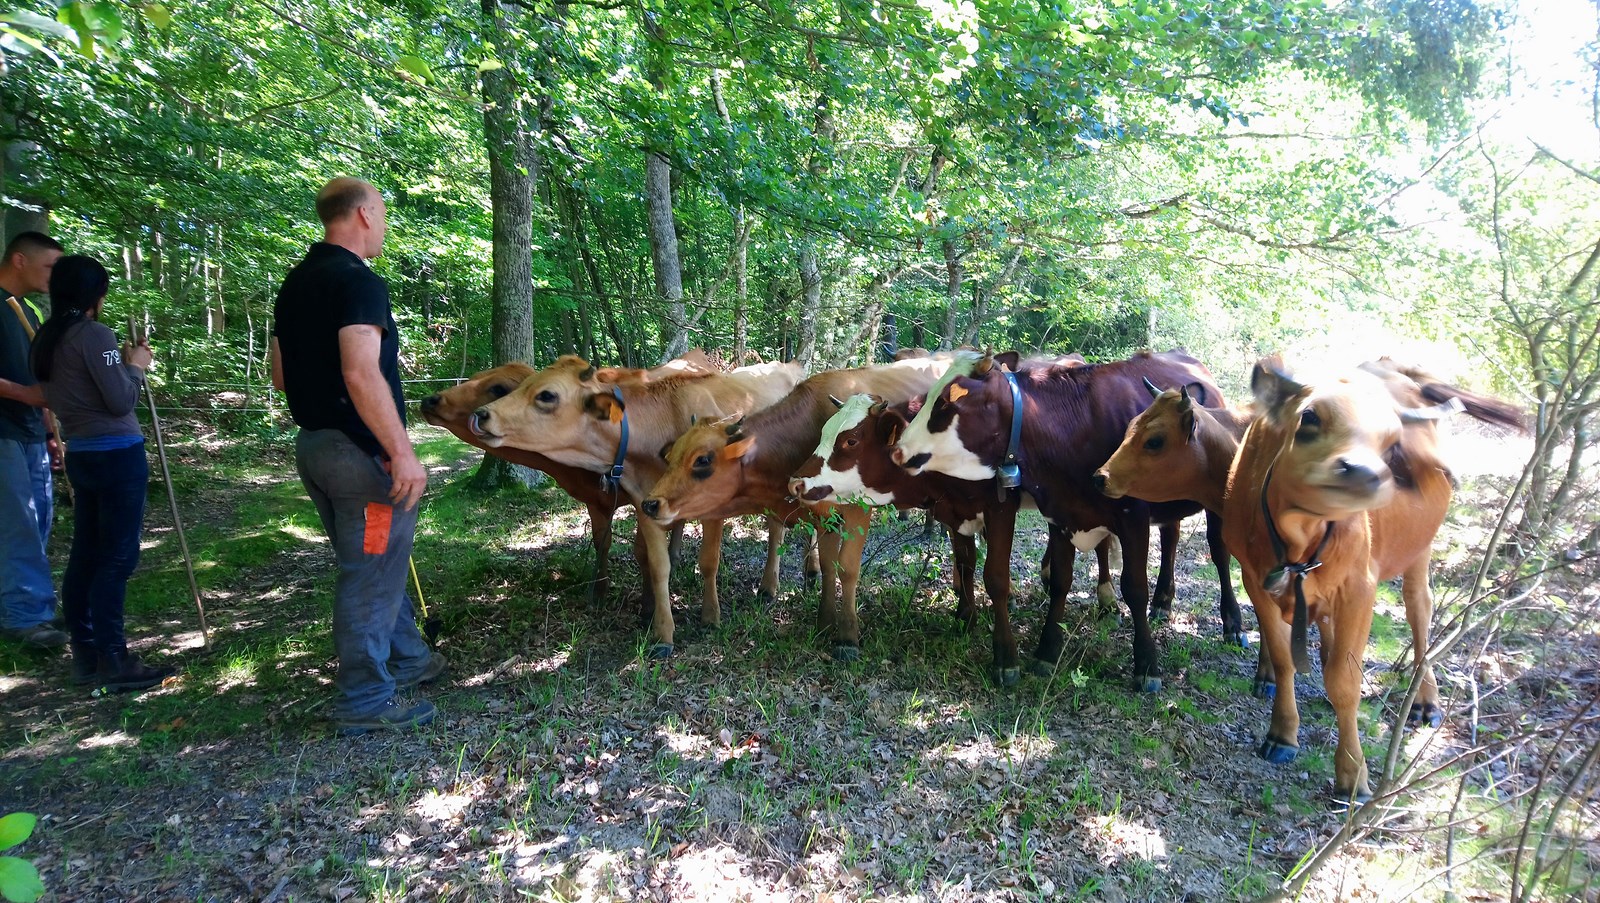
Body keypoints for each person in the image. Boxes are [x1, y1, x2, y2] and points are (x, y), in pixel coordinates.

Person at [270, 177, 442, 736]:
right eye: (384, 214)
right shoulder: (356, 282)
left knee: (377, 565)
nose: (386, 226)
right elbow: (360, 371)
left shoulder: (296, 284)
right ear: (365, 214)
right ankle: (365, 696)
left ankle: (408, 658)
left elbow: (280, 376)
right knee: (369, 572)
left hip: (316, 448)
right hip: (360, 460)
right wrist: (400, 450)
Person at [30, 255, 175, 691]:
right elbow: (120, 401)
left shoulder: (46, 338)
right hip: (116, 453)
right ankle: (115, 658)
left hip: (82, 453)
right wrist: (135, 365)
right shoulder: (94, 336)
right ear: (97, 295)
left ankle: (87, 654)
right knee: (116, 556)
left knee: (87, 553)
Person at [0, 231, 67, 650]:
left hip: (29, 432)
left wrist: (49, 430)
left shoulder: (29, 313)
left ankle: (27, 604)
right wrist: (24, 395)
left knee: (38, 519)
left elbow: (39, 379)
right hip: (2, 431)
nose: (54, 277)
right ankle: (25, 618)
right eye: (49, 267)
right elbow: (27, 387)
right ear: (20, 260)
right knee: (17, 524)